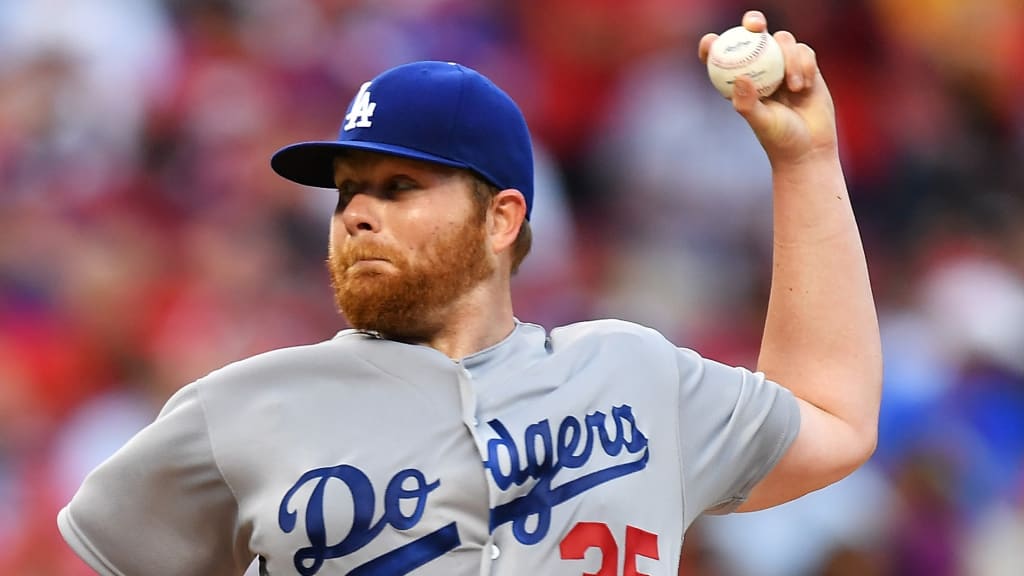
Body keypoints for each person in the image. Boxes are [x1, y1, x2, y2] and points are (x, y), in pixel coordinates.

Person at [57, 11, 881, 576]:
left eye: (399, 185)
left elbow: (834, 420)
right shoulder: (241, 409)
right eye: (348, 192)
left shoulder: (635, 373)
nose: (359, 216)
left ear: (501, 219)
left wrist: (804, 163)